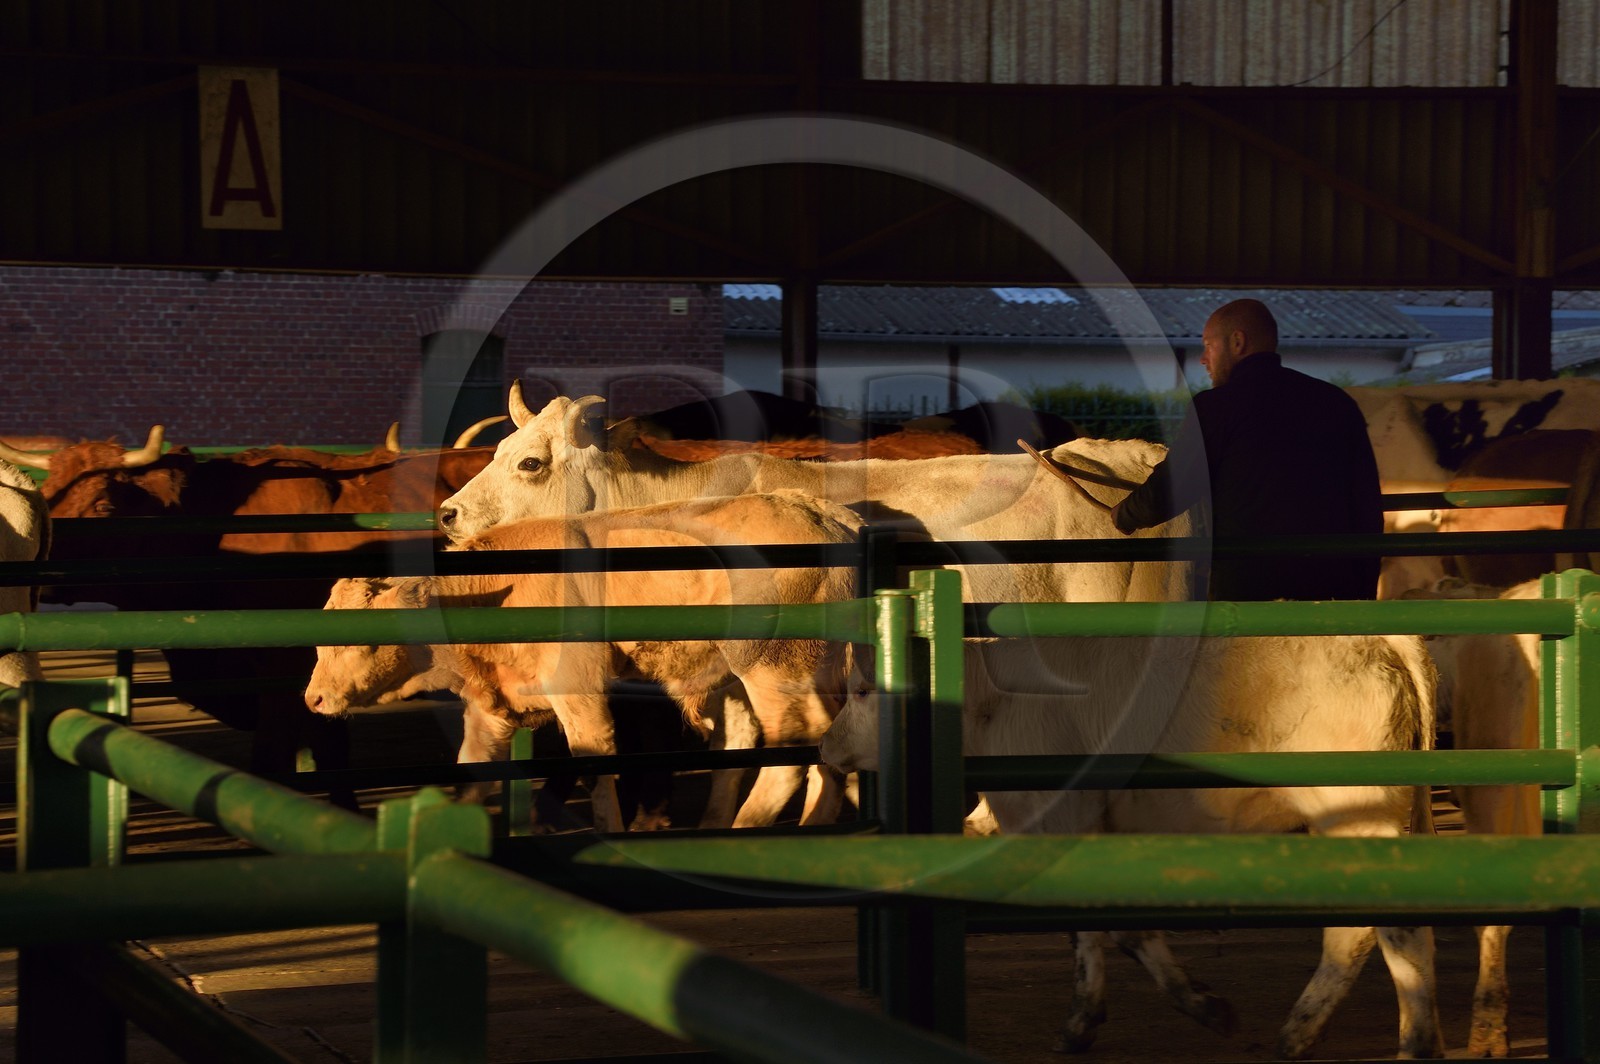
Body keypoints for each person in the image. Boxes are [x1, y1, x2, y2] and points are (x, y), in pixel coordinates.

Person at [1110, 298, 1383, 601]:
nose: (1203, 359)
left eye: (1208, 345)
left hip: (1251, 598)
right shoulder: (1337, 403)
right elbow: (1367, 507)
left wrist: (1124, 514)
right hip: (1335, 595)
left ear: (1237, 342)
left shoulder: (1216, 408)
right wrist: (1363, 597)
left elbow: (1172, 489)